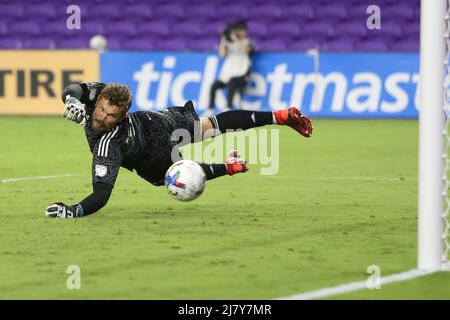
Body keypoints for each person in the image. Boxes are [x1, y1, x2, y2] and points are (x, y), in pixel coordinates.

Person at [44, 82, 313, 218]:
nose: (102, 117)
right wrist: (70, 100)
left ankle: (229, 166)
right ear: (98, 99)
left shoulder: (108, 144)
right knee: (211, 125)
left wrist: (73, 210)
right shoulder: (101, 92)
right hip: (154, 120)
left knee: (174, 178)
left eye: (111, 115)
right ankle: (280, 116)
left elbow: (101, 195)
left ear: (123, 115)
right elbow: (72, 89)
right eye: (101, 109)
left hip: (149, 151)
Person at [207, 21, 253, 114]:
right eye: (236, 30)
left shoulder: (248, 42)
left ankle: (228, 107)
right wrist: (224, 38)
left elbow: (245, 50)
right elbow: (222, 54)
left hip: (242, 75)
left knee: (232, 81)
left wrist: (236, 38)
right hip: (228, 74)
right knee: (214, 85)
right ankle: (210, 108)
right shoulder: (229, 43)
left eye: (240, 30)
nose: (238, 32)